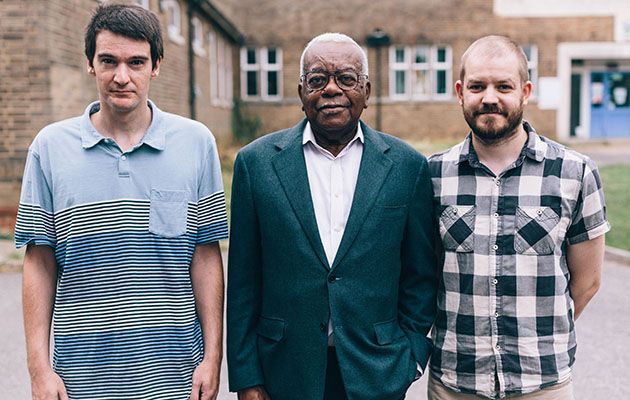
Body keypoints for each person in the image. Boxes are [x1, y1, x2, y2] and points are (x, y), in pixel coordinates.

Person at [15, 4, 228, 399]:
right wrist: (39, 370)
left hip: (175, 378)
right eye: (109, 61)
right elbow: (39, 263)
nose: (122, 76)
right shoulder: (50, 148)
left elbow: (205, 255)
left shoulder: (196, 143)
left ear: (156, 65)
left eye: (136, 62)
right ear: (90, 64)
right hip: (81, 382)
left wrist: (212, 358)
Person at [226, 33, 438, 400]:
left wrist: (411, 356)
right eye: (317, 79)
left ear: (367, 91)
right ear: (300, 91)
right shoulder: (255, 164)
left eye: (346, 78)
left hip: (376, 371)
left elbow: (420, 275)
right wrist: (246, 376)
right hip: (284, 371)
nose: (331, 89)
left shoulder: (407, 167)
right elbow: (244, 279)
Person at [428, 35, 610, 400]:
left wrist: (539, 337)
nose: (490, 98)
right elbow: (422, 276)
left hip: (543, 383)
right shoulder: (433, 175)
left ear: (525, 91)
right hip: (456, 382)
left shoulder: (575, 173)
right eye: (478, 86)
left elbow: (587, 282)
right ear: (460, 92)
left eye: (504, 86)